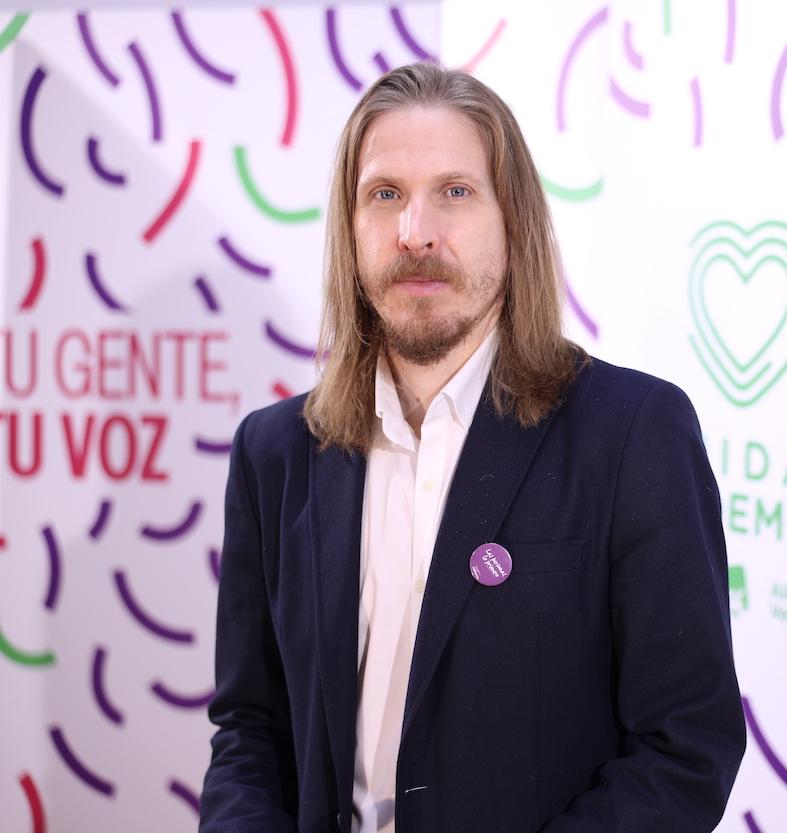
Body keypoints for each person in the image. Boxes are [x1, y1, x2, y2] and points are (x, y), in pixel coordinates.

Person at [200, 63, 745, 833]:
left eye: (455, 191)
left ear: (513, 220)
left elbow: (685, 746)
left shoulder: (634, 432)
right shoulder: (275, 453)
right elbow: (249, 729)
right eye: (384, 194)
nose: (414, 230)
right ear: (349, 231)